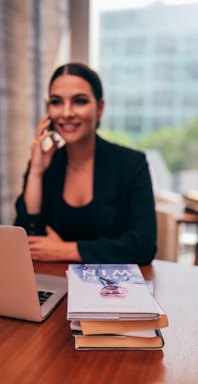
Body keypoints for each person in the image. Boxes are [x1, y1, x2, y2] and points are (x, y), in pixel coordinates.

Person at [14, 63, 157, 265]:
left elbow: (142, 246)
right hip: (54, 282)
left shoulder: (131, 164)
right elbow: (28, 241)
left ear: (100, 108)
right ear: (48, 110)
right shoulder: (44, 163)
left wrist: (66, 250)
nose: (66, 112)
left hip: (114, 287)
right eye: (56, 102)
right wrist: (36, 172)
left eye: (79, 101)